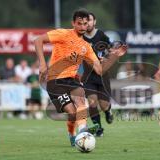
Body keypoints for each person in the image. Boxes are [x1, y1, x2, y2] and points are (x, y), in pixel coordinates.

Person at [34, 9, 127, 146]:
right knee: (71, 112)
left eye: (85, 24)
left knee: (81, 101)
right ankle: (72, 133)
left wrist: (114, 56)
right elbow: (38, 40)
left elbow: (100, 70)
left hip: (72, 80)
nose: (83, 27)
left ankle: (83, 133)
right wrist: (42, 64)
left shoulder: (86, 47)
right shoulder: (63, 34)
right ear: (73, 23)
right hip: (55, 81)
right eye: (80, 24)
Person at [73, 12, 113, 137]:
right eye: (85, 21)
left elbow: (111, 50)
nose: (87, 23)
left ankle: (108, 111)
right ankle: (99, 128)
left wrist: (107, 57)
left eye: (89, 20)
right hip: (89, 76)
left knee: (104, 105)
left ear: (94, 22)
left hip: (102, 75)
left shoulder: (101, 35)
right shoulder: (81, 37)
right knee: (92, 102)